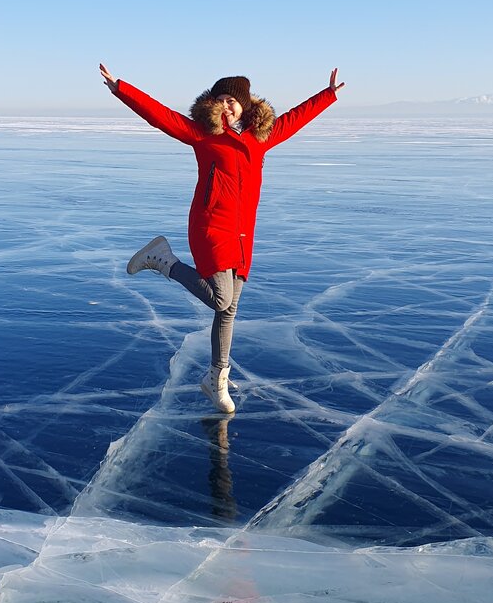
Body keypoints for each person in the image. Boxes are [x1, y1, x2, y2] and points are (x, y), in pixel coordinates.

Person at [99, 64, 344, 413]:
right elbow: (160, 116)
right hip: (211, 225)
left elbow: (294, 118)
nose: (227, 106)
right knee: (220, 299)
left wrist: (328, 94)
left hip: (243, 233)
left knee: (229, 310)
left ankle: (216, 380)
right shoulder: (203, 134)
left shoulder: (260, 137)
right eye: (221, 100)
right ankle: (162, 259)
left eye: (233, 101)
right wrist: (121, 88)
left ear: (245, 105)